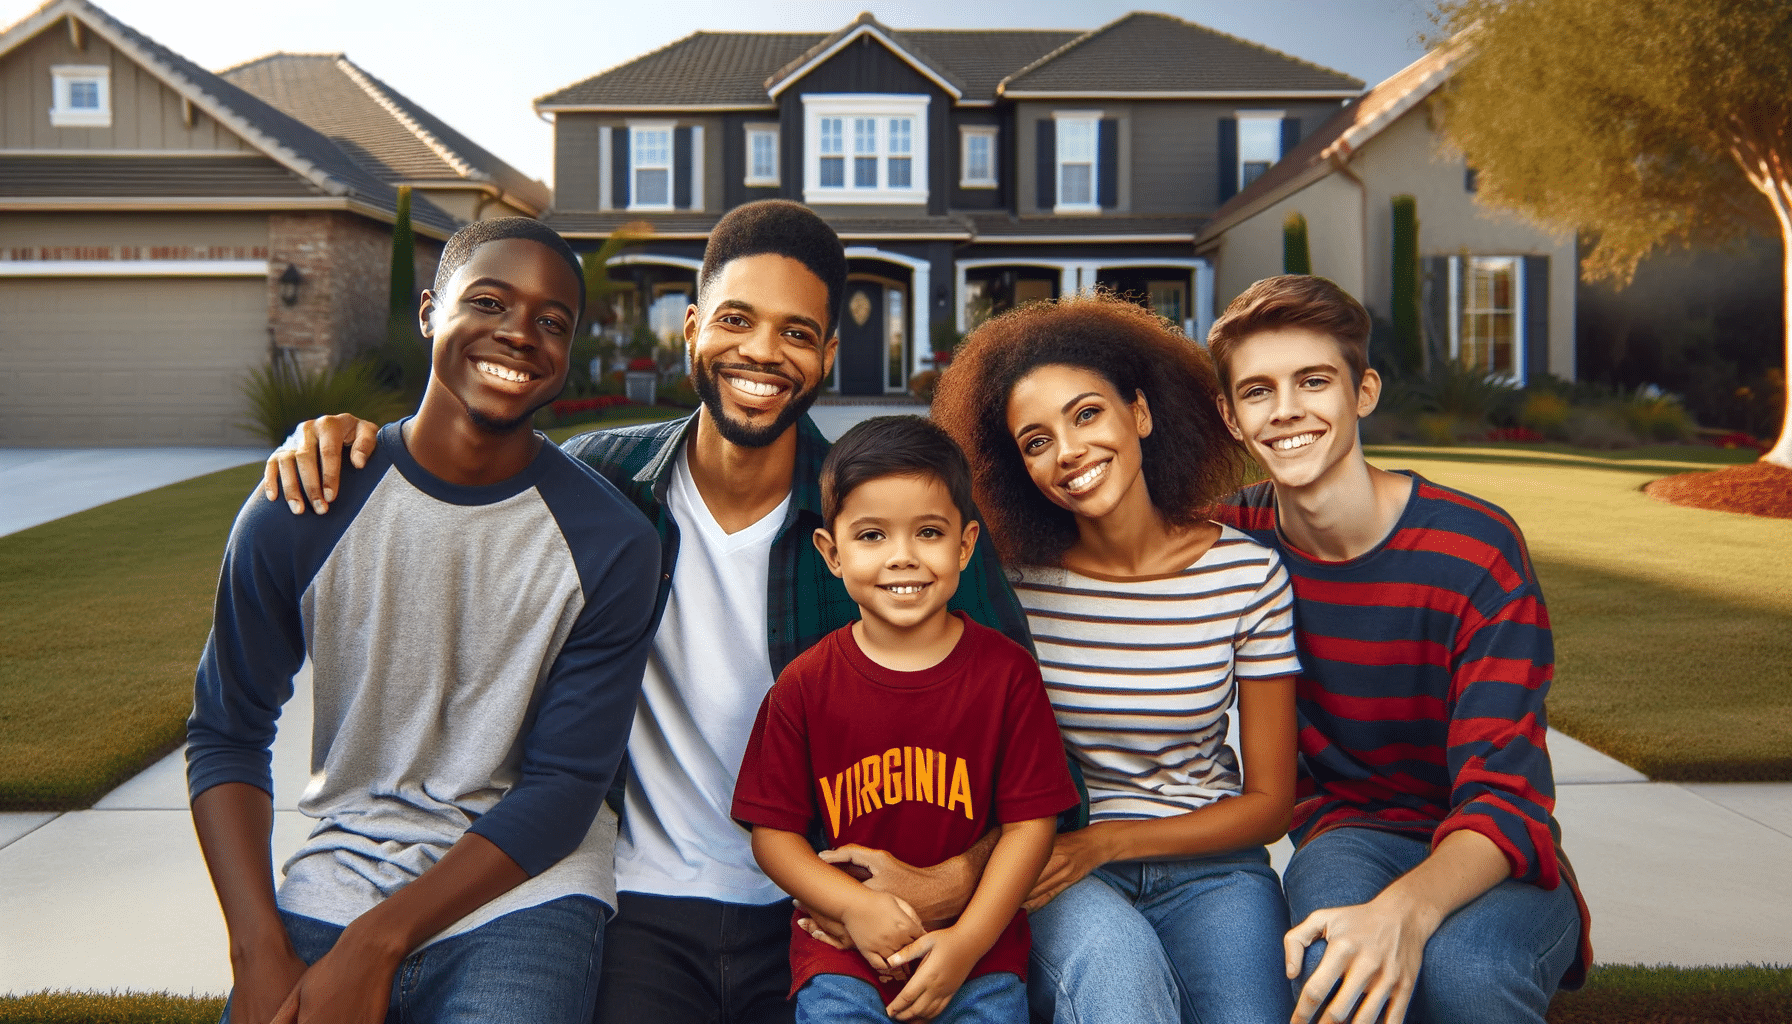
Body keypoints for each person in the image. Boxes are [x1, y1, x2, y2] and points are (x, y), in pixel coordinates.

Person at [258, 200, 1036, 1024]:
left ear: (828, 354)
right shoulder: (598, 487)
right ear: (693, 328)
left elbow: (1038, 761)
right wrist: (348, 441)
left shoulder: (892, 527)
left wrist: (957, 878)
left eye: (797, 333)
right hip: (636, 904)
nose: (762, 353)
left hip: (819, 916)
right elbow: (458, 455)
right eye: (737, 319)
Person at [186, 217, 662, 1024]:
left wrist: (376, 945)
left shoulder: (611, 543)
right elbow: (228, 732)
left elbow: (564, 788)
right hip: (346, 866)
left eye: (552, 322)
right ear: (428, 311)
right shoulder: (304, 506)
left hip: (524, 889)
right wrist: (258, 951)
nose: (520, 334)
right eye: (489, 301)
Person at [1205, 274, 1591, 1024]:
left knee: (1467, 973)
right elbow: (1100, 532)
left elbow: (1505, 799)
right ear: (1230, 416)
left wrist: (1405, 912)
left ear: (1364, 392)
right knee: (1331, 969)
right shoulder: (1229, 543)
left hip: (1495, 853)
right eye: (1257, 391)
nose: (1286, 410)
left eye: (1313, 381)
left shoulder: (1477, 550)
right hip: (1351, 835)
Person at [930, 293, 1302, 1024]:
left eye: (1086, 414)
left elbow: (1270, 805)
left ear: (1139, 413)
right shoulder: (1012, 590)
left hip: (1213, 871)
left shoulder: (1245, 576)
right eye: (1035, 442)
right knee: (1122, 992)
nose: (1067, 451)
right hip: (1056, 875)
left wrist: (1109, 841)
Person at [733, 416, 1077, 1024]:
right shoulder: (806, 685)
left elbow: (1031, 824)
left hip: (977, 950)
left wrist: (967, 943)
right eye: (871, 536)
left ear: (965, 546)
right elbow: (773, 835)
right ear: (831, 553)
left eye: (928, 532)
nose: (902, 558)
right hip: (845, 950)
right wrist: (852, 906)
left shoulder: (1006, 676)